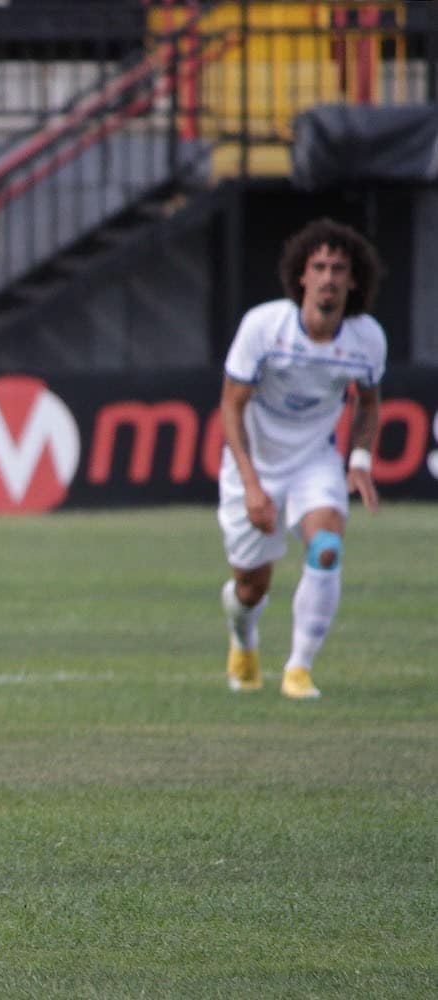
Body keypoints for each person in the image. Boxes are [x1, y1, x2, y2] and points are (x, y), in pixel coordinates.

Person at [219, 218, 385, 701]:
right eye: (320, 267)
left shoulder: (366, 338)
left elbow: (369, 402)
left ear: (353, 280)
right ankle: (243, 640)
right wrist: (252, 486)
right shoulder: (264, 327)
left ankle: (299, 668)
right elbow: (231, 405)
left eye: (339, 268)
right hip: (256, 463)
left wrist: (359, 459)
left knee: (327, 546)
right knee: (251, 587)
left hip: (314, 459)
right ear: (301, 275)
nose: (329, 277)